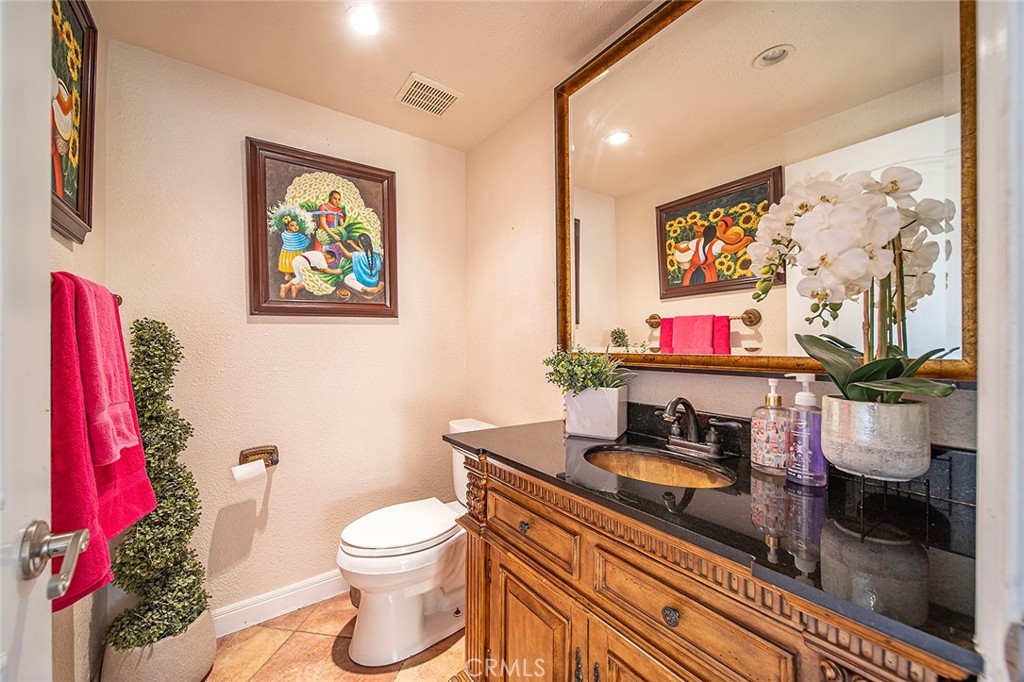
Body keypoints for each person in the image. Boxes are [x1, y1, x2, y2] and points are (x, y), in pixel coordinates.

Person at [674, 215, 753, 286]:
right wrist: (745, 241)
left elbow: (682, 250)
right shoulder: (716, 244)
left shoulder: (696, 241)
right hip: (707, 271)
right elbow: (732, 249)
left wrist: (676, 246)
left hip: (693, 270)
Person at [280, 249, 344, 299]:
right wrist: (336, 272)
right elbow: (325, 270)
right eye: (331, 261)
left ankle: (286, 286)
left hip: (296, 260)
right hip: (303, 262)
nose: (329, 263)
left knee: (299, 278)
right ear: (328, 257)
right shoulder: (321, 257)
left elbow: (316, 265)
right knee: (309, 279)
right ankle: (296, 288)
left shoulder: (317, 253)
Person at [337, 233, 385, 298]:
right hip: (374, 282)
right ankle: (376, 288)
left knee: (347, 279)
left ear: (360, 244)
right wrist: (352, 243)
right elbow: (378, 268)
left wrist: (339, 245)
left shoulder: (358, 255)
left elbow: (347, 255)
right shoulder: (376, 255)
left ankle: (366, 289)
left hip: (363, 281)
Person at [277, 216, 311, 283]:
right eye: (292, 225)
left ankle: (289, 276)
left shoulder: (284, 234)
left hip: (286, 252)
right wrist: (308, 238)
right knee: (295, 263)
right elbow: (306, 240)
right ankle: (291, 276)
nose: (295, 227)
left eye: (296, 225)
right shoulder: (298, 235)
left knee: (288, 263)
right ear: (287, 227)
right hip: (296, 252)